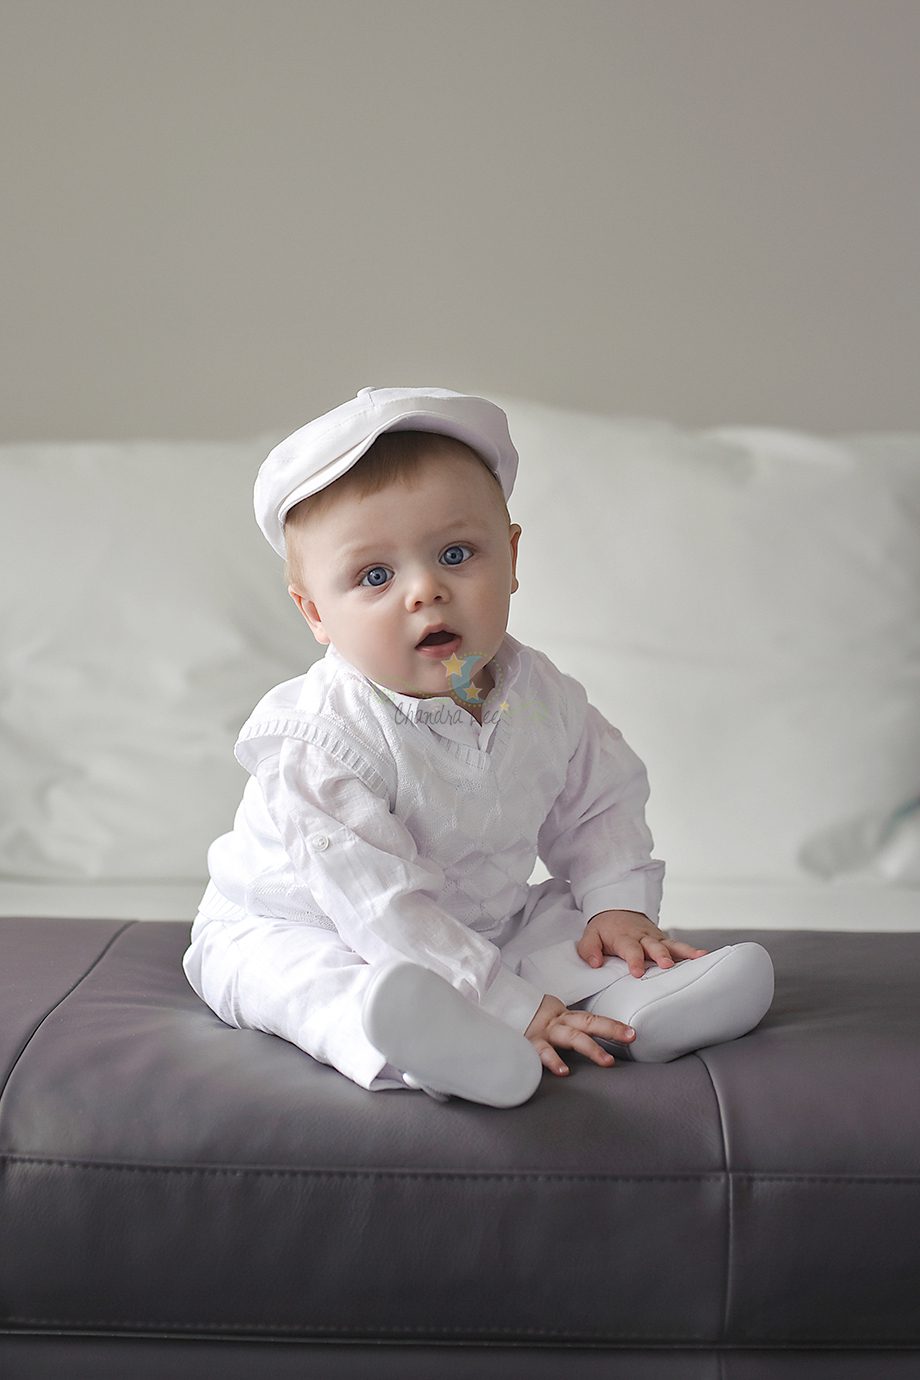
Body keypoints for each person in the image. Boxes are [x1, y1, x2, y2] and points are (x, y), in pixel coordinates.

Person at [182, 386, 774, 1107]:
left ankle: (641, 1001)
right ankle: (439, 1050)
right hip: (308, 924)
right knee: (314, 984)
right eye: (375, 576)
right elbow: (380, 908)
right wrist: (505, 1003)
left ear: (512, 558)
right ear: (316, 614)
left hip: (477, 919)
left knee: (558, 923)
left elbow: (599, 802)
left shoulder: (539, 694)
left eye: (455, 554)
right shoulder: (321, 739)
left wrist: (615, 907)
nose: (425, 590)